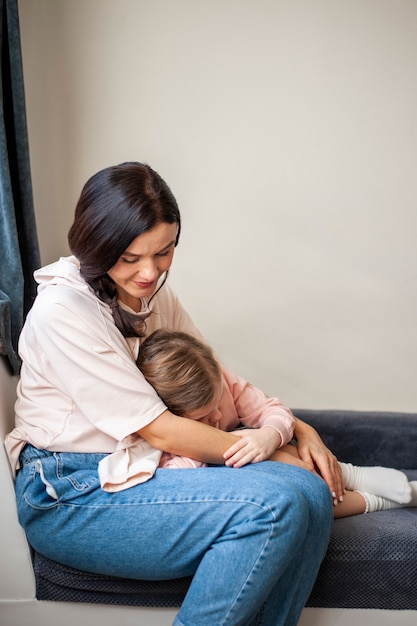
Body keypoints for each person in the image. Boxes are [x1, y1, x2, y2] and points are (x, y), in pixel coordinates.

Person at [6, 161, 338, 626]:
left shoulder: (155, 297)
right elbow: (160, 431)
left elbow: (220, 380)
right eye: (130, 258)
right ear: (95, 247)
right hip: (71, 492)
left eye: (163, 252)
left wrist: (302, 429)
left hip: (137, 469)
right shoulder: (64, 310)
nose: (149, 272)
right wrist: (274, 449)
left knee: (312, 495)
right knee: (276, 502)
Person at [137, 328, 417, 518]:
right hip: (228, 485)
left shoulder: (224, 382)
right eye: (204, 418)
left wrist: (270, 435)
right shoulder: (161, 437)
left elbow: (274, 410)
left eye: (217, 403)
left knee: (267, 446)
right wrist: (202, 450)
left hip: (278, 455)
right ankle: (380, 501)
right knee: (267, 462)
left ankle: (352, 476)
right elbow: (177, 479)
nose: (218, 417)